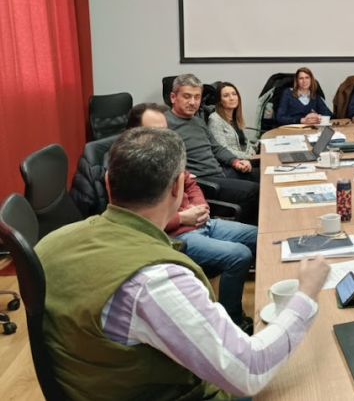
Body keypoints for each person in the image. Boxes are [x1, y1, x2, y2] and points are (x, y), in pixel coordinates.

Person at [35, 126, 331, 401]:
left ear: (108, 182)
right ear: (178, 187)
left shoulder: (49, 244)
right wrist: (306, 292)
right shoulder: (154, 281)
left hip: (96, 384)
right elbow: (250, 371)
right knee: (313, 378)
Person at [129, 102, 259, 333]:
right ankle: (232, 323)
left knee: (262, 235)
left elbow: (191, 183)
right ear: (134, 133)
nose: (164, 137)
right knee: (239, 255)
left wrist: (200, 206)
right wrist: (182, 218)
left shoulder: (167, 153)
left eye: (166, 130)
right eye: (155, 131)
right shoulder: (128, 168)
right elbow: (137, 221)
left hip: (200, 222)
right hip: (174, 236)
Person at [166, 74, 259, 224]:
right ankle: (250, 233)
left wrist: (235, 161)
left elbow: (216, 147)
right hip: (202, 181)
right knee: (254, 191)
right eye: (187, 97)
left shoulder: (197, 121)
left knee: (265, 175)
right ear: (173, 97)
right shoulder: (164, 123)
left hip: (219, 172)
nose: (193, 102)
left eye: (197, 97)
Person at [208, 81, 258, 159]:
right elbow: (222, 150)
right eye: (226, 96)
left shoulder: (235, 118)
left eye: (234, 94)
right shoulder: (215, 119)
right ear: (220, 101)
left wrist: (256, 149)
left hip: (246, 159)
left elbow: (245, 144)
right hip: (233, 162)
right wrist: (249, 157)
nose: (232, 98)